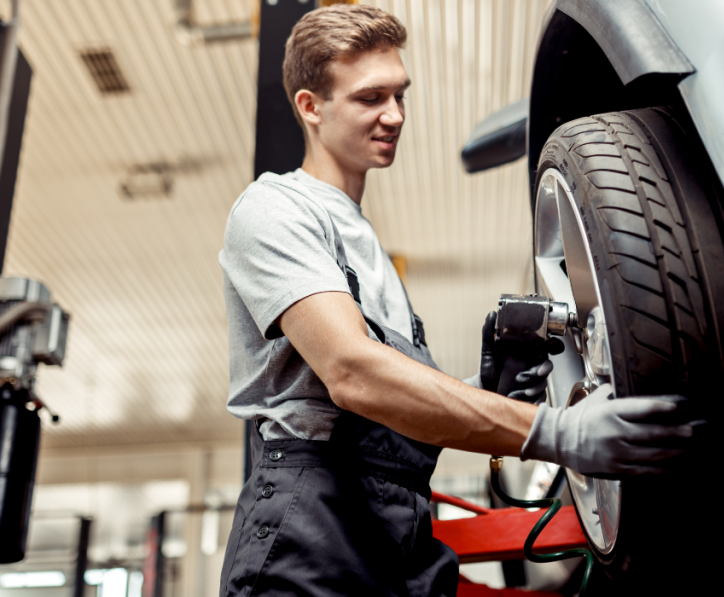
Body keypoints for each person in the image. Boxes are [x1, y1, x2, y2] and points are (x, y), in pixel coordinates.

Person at [217, 5, 694, 596]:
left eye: (400, 94)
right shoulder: (275, 209)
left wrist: (480, 389)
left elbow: (386, 421)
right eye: (371, 98)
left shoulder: (364, 241)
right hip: (312, 528)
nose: (394, 115)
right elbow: (351, 373)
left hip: (400, 526)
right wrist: (557, 431)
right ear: (311, 107)